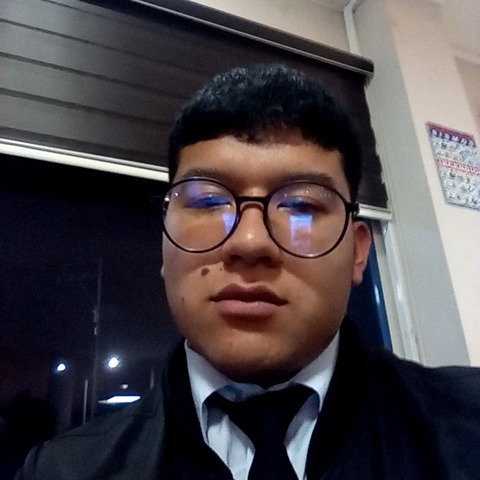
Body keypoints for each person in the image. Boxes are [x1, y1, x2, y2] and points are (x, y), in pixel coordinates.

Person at [15, 64, 480, 480]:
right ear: (163, 243)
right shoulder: (62, 471)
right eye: (207, 201)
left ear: (358, 253)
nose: (250, 242)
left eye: (301, 206)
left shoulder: (467, 427)